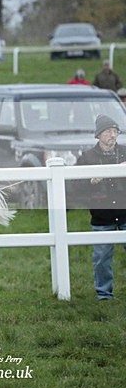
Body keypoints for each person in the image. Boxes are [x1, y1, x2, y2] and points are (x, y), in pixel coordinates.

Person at [75, 114, 126, 300]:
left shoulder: (125, 152)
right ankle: (104, 295)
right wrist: (90, 181)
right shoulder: (87, 157)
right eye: (108, 131)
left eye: (115, 131)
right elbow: (74, 186)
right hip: (101, 216)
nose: (113, 135)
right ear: (98, 135)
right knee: (102, 259)